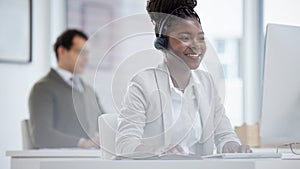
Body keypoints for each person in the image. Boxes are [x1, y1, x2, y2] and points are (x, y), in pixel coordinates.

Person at [115, 0, 251, 156]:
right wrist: (160, 152)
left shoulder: (206, 83)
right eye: (185, 38)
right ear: (163, 43)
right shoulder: (143, 84)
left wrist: (233, 146)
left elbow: (224, 134)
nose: (196, 46)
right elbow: (125, 145)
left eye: (200, 38)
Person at [29, 29, 102, 149]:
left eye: (87, 53)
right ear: (62, 51)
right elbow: (41, 135)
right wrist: (82, 143)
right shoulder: (43, 89)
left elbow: (105, 123)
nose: (86, 59)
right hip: (62, 161)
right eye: (80, 52)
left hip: (91, 159)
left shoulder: (88, 90)